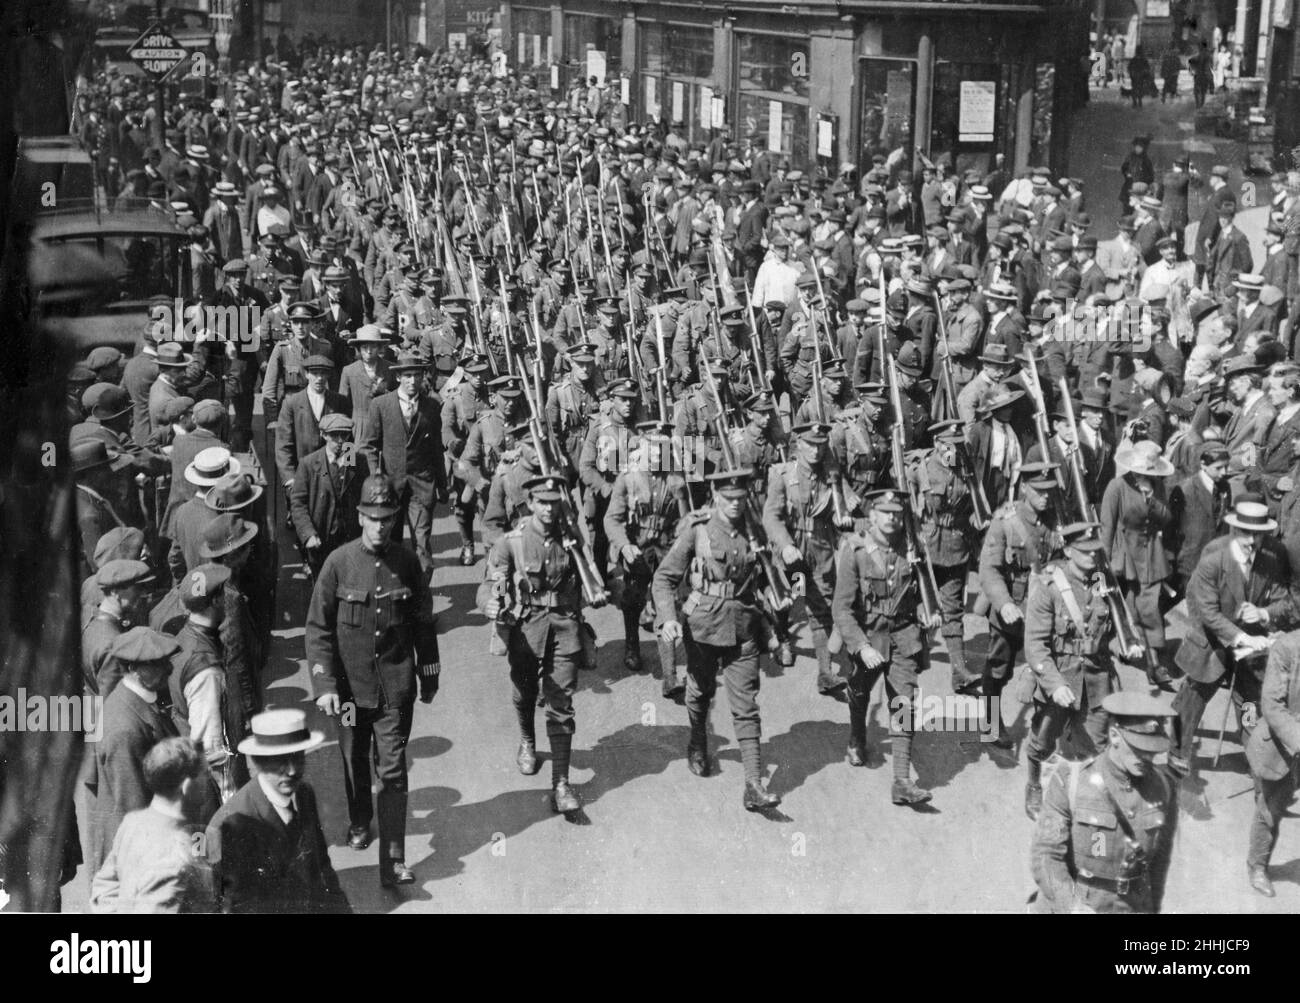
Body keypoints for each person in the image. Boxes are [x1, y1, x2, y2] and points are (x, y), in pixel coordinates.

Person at [306, 474, 441, 885]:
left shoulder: (407, 563)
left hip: (395, 690)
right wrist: (325, 686)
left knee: (394, 771)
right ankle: (361, 818)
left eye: (386, 518)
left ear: (394, 518)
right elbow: (318, 629)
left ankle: (394, 858)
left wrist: (429, 672)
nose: (380, 525)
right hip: (348, 692)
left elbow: (422, 623)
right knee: (353, 758)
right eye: (372, 517)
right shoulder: (338, 564)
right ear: (360, 516)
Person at [653, 469, 783, 811]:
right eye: (729, 500)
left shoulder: (754, 530)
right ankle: (697, 740)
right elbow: (664, 579)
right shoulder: (698, 531)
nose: (736, 506)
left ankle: (753, 784)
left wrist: (777, 603)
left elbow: (766, 577)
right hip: (704, 627)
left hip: (744, 627)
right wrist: (668, 618)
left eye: (741, 499)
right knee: (700, 692)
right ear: (715, 496)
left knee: (746, 705)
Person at [480, 475, 601, 813]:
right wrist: (490, 601)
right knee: (523, 690)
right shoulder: (512, 542)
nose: (548, 508)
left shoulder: (571, 539)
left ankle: (561, 783)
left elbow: (590, 574)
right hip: (526, 627)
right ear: (530, 503)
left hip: (564, 627)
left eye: (554, 501)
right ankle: (528, 740)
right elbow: (491, 582)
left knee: (561, 699)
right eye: (541, 501)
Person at [1172, 497, 1295, 818]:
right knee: (1191, 701)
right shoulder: (1214, 555)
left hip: (1251, 649)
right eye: (1246, 533)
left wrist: (1264, 613)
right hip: (1212, 641)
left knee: (1252, 708)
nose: (1253, 541)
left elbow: (1286, 603)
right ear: (1234, 528)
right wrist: (1237, 636)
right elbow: (1205, 609)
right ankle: (1176, 762)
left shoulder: (1273, 556)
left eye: (1259, 534)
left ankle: (1262, 776)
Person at [1022, 522, 1145, 820]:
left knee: (1096, 746)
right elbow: (1035, 646)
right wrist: (1054, 685)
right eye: (1084, 551)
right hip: (1061, 677)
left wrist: (1126, 646)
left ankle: (1088, 799)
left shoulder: (1104, 584)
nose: (1092, 557)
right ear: (1067, 551)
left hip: (1097, 679)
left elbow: (1112, 633)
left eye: (1095, 551)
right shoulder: (1049, 588)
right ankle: (1034, 783)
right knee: (1042, 742)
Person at [832, 489, 941, 804]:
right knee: (861, 692)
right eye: (885, 512)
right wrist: (861, 646)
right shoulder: (856, 551)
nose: (892, 517)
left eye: (897, 512)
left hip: (904, 635)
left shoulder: (912, 548)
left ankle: (902, 780)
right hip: (868, 635)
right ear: (872, 515)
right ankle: (857, 735)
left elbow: (922, 596)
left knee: (904, 703)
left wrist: (927, 613)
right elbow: (842, 608)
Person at [1030, 691, 1179, 914]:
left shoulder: (1164, 787)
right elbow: (1046, 855)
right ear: (1114, 735)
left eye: (1151, 750)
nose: (1146, 758)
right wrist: (1070, 905)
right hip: (1080, 901)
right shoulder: (1070, 781)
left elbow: (1159, 864)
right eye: (1138, 748)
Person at [204, 709, 351, 913]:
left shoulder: (304, 793)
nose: (291, 770)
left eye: (297, 757)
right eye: (281, 761)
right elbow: (229, 904)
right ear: (257, 761)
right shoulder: (229, 824)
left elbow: (321, 865)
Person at [84, 627, 182, 880]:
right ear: (133, 669)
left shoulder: (136, 701)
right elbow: (133, 808)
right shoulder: (125, 729)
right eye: (158, 664)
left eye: (166, 661)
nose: (169, 669)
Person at [90, 736, 217, 914]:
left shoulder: (133, 822)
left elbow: (105, 886)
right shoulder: (178, 857)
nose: (208, 781)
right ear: (187, 786)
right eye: (206, 774)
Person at [1244, 628, 1300, 896]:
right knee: (1270, 811)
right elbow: (1272, 705)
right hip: (1284, 747)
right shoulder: (1287, 648)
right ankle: (1257, 866)